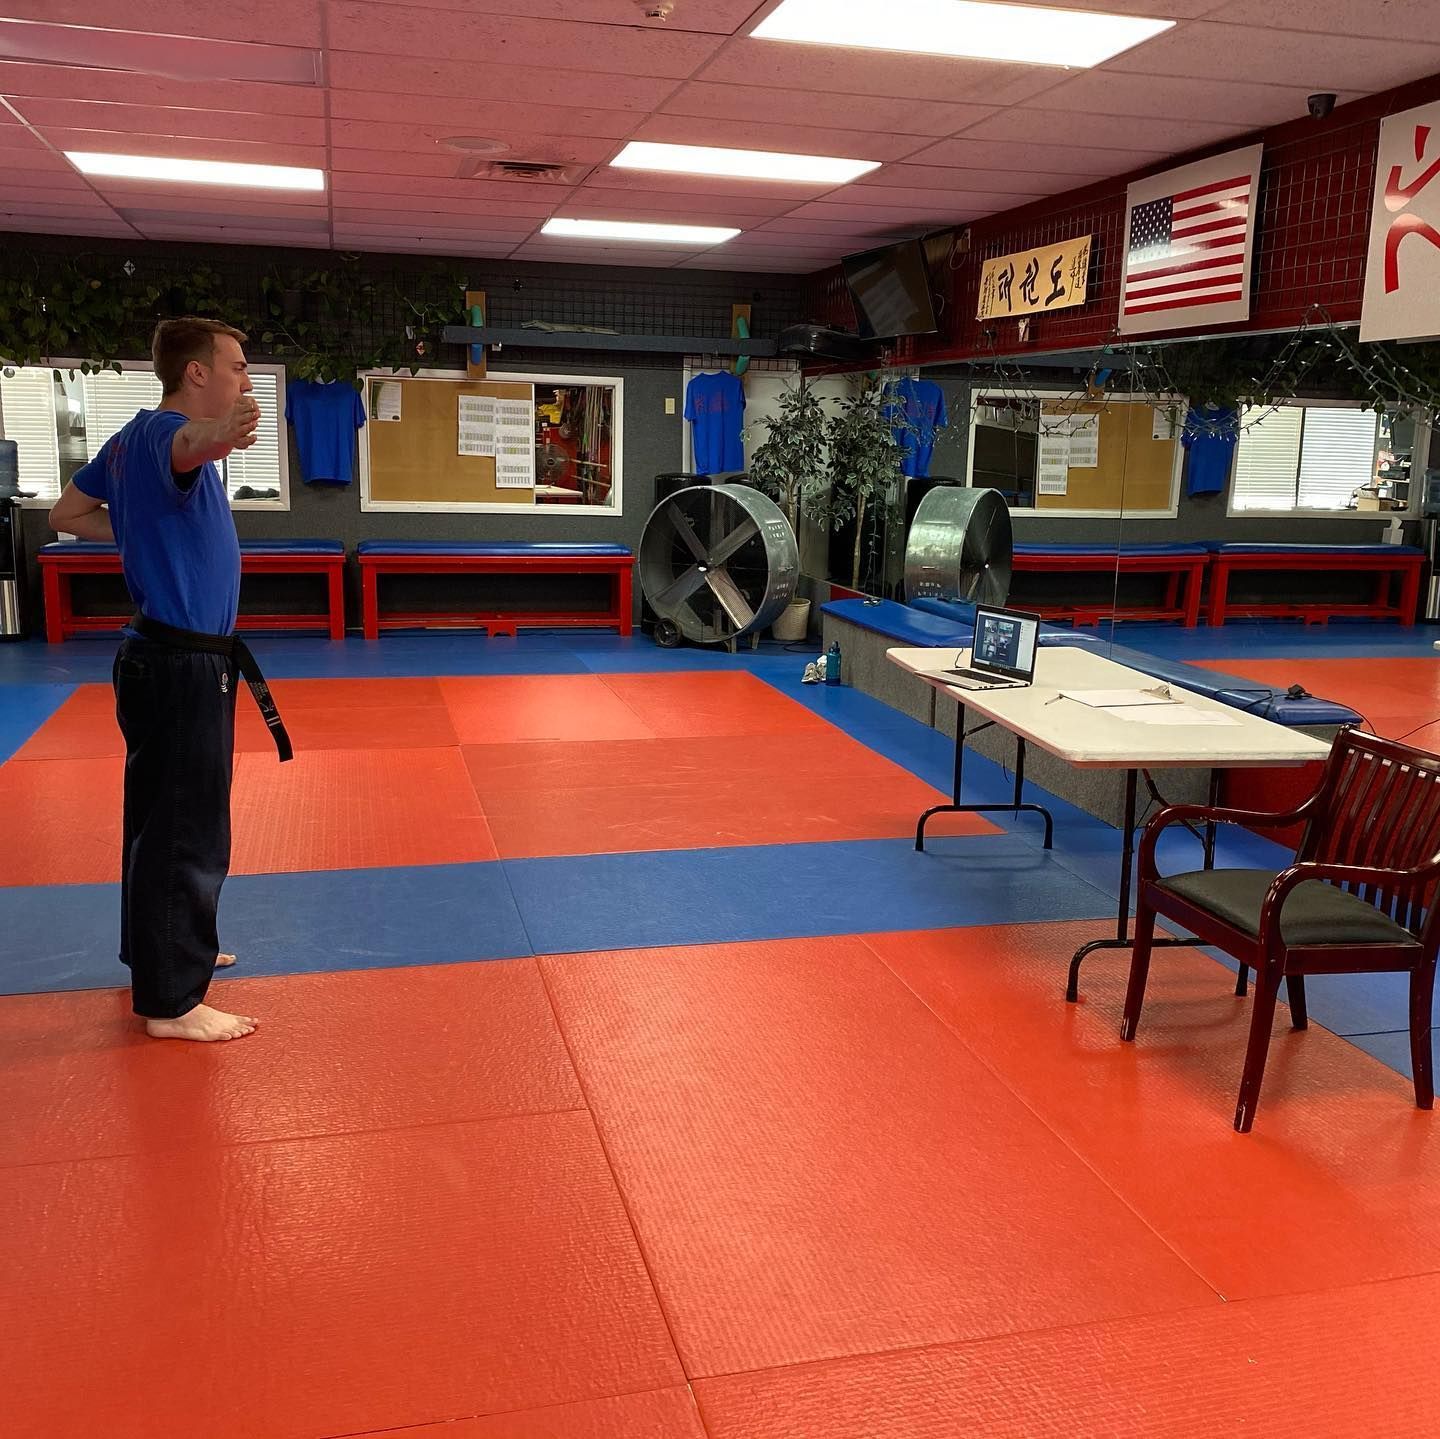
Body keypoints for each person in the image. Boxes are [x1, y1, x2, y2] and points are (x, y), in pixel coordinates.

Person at [48, 317, 288, 1042]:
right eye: (238, 367)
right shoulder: (163, 437)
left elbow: (67, 512)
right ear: (195, 373)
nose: (245, 379)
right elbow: (192, 442)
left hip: (166, 659)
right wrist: (224, 434)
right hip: (181, 663)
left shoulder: (126, 443)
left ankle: (167, 946)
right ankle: (171, 1001)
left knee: (160, 823)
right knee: (185, 829)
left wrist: (142, 525)